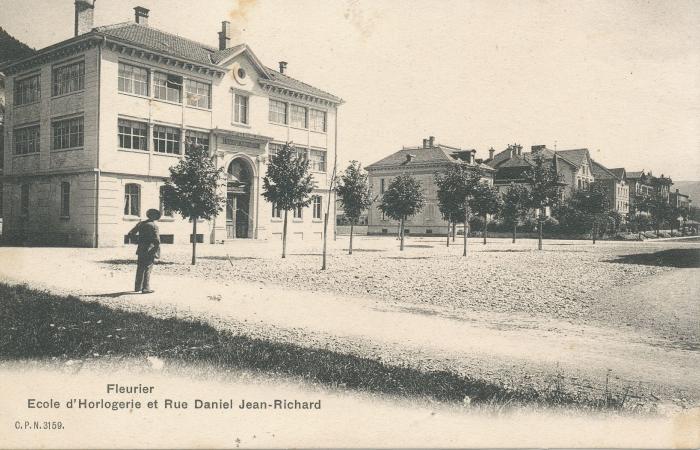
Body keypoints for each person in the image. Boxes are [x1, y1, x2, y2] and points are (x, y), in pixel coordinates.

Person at [127, 208, 162, 294]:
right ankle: (145, 288)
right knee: (148, 268)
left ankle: (137, 287)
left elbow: (130, 234)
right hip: (150, 249)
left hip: (141, 248)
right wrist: (156, 251)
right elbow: (157, 240)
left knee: (140, 268)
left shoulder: (141, 223)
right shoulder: (154, 226)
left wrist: (138, 241)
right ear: (154, 216)